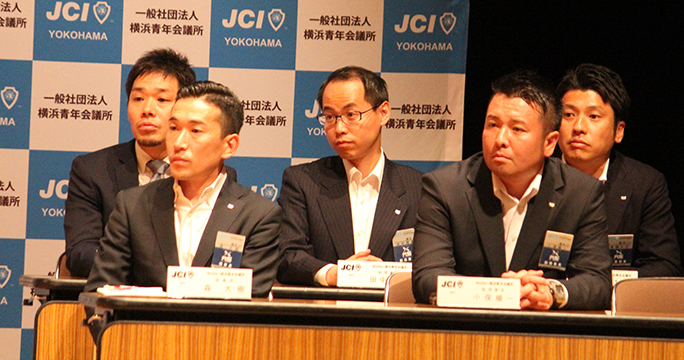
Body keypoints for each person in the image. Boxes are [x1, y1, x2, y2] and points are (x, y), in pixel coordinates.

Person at [413, 69, 611, 310]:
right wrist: (501, 293)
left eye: (517, 129)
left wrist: (549, 291)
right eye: (493, 125)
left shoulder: (580, 193)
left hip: (544, 329)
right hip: (467, 326)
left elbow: (597, 282)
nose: (500, 139)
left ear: (549, 143)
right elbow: (428, 279)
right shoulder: (445, 188)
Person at [85, 81, 282, 297]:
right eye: (173, 128)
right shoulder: (132, 205)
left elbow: (251, 300)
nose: (178, 143)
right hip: (142, 320)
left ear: (229, 146)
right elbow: (99, 293)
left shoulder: (257, 215)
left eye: (195, 131)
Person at [278, 66, 423, 286]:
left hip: (393, 306)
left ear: (383, 113)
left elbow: (433, 264)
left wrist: (386, 274)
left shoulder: (419, 187)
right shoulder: (302, 181)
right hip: (325, 305)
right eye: (330, 117)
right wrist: (336, 274)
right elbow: (288, 255)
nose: (339, 128)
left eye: (351, 115)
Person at [64, 48, 197, 277]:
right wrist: (151, 273)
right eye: (138, 99)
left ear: (185, 107)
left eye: (162, 99)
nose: (147, 110)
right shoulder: (92, 170)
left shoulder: (207, 172)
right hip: (118, 296)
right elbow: (80, 254)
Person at [556, 63, 682, 277]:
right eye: (568, 114)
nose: (578, 127)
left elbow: (665, 266)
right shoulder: (536, 176)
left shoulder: (644, 183)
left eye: (593, 116)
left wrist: (600, 285)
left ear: (619, 131)